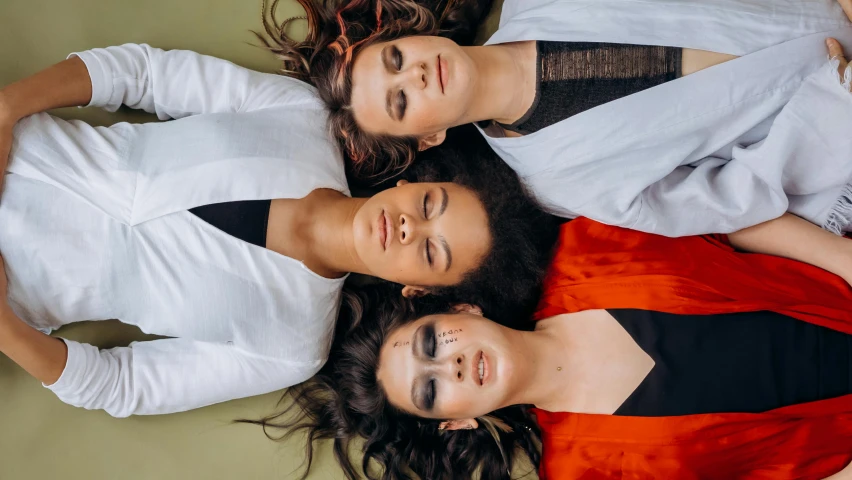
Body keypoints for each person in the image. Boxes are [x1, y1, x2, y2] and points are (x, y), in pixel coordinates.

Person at [0, 43, 555, 417]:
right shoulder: (298, 113)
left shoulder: (292, 347)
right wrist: (7, 106)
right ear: (405, 185)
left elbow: (123, 386)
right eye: (430, 204)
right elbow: (142, 74)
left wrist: (4, 327)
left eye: (433, 252)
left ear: (422, 291)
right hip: (18, 152)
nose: (411, 228)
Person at [247, 233, 852, 479]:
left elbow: (737, 220)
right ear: (455, 421)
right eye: (429, 390)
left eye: (430, 344)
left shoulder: (586, 246)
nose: (447, 366)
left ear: (461, 311)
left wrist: (842, 259)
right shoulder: (581, 471)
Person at [266, 0, 852, 238]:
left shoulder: (538, 2)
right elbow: (723, 199)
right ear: (428, 135)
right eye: (399, 101)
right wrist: (834, 99)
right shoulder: (556, 178)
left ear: (413, 33)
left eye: (395, 59)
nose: (413, 75)